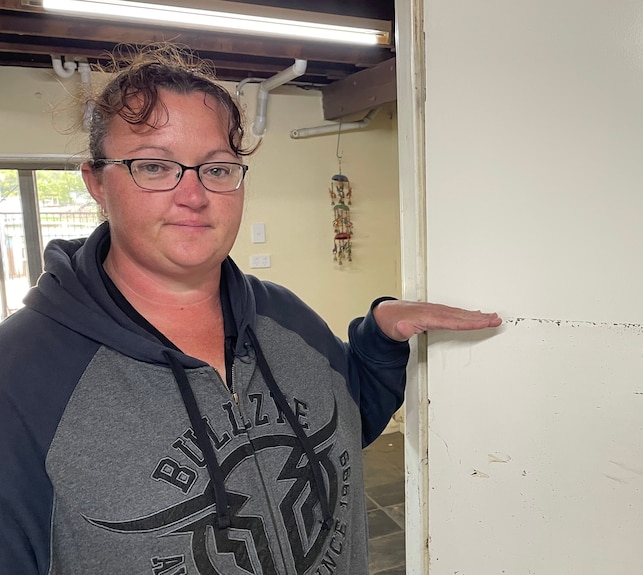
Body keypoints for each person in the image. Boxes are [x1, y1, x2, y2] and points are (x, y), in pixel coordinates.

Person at [0, 43, 501, 575]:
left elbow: (345, 424)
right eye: (154, 165)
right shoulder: (21, 378)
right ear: (97, 182)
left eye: (216, 169)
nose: (192, 195)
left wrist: (378, 341)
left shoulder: (284, 317)